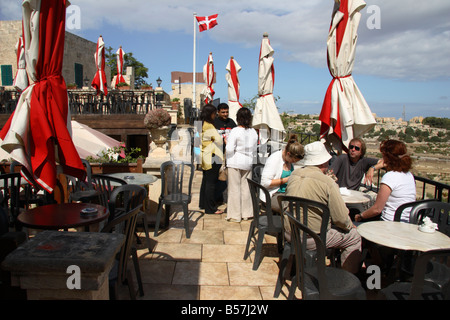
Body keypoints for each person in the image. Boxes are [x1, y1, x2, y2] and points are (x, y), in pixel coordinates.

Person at [286, 141, 362, 274]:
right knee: (354, 237)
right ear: (322, 162)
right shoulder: (327, 182)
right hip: (311, 238)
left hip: (290, 232)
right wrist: (350, 226)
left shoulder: (294, 175)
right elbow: (341, 219)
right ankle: (346, 279)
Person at [354, 139, 416, 223]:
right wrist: (373, 168)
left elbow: (377, 209)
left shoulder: (390, 177)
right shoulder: (409, 175)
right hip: (406, 222)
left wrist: (360, 216)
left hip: (389, 223)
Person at [225, 107, 258, 222]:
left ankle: (235, 215)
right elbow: (254, 148)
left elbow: (229, 149)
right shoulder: (253, 132)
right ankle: (247, 213)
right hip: (248, 162)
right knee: (246, 189)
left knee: (234, 189)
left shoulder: (235, 131)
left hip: (235, 162)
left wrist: (226, 142)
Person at [260, 135, 305, 213]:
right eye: (294, 161)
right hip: (273, 195)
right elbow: (265, 183)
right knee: (293, 209)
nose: (294, 163)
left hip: (286, 193)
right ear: (288, 154)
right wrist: (287, 179)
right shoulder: (274, 160)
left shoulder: (288, 160)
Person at [199, 104, 224, 215]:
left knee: (206, 181)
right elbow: (219, 141)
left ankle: (204, 204)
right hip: (212, 155)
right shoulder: (209, 125)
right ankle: (211, 208)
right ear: (211, 114)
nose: (215, 115)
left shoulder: (199, 124)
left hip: (204, 154)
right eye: (214, 113)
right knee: (211, 183)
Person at [214, 103, 237, 204]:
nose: (225, 114)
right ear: (218, 112)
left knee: (224, 177)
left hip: (228, 154)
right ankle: (216, 198)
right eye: (223, 112)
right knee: (216, 177)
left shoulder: (231, 122)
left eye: (227, 112)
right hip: (216, 154)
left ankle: (220, 197)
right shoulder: (214, 122)